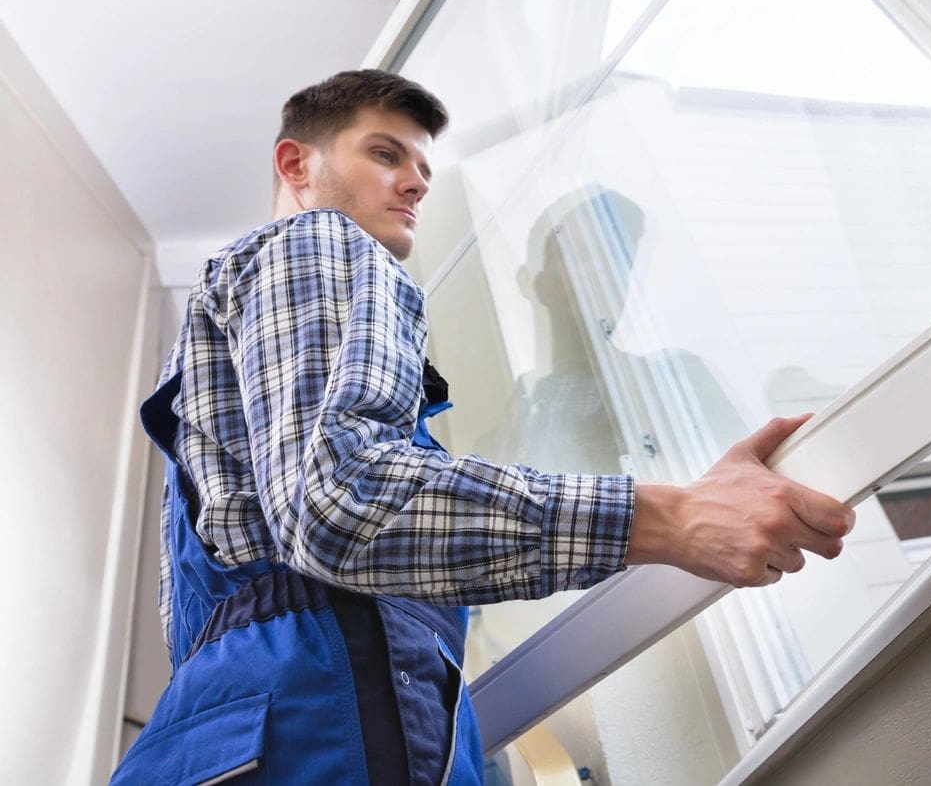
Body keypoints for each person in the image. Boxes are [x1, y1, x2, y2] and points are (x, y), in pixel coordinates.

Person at [111, 70, 855, 785]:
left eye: (424, 171)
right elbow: (340, 501)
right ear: (295, 163)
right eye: (383, 153)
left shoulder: (218, 354)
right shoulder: (321, 243)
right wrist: (673, 516)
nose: (413, 183)